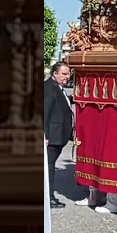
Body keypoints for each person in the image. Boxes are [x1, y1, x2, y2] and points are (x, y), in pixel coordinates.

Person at [44, 62, 76, 208]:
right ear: (55, 73)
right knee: (49, 168)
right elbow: (45, 113)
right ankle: (49, 198)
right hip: (53, 137)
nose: (67, 77)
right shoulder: (49, 88)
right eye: (63, 74)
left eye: (68, 74)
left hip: (59, 136)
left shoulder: (57, 87)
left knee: (50, 166)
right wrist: (45, 136)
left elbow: (62, 103)